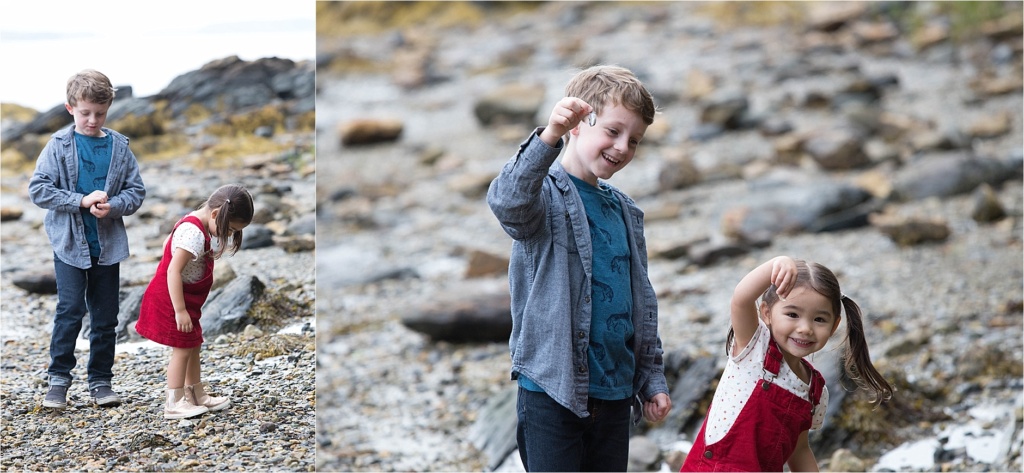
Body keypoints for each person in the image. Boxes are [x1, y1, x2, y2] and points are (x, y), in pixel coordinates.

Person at [487, 65, 672, 472]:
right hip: (552, 390)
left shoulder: (626, 211)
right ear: (577, 125)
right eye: (612, 131)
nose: (622, 147)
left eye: (634, 140)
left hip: (616, 392)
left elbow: (640, 303)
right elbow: (508, 204)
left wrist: (651, 379)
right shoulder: (544, 196)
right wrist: (548, 135)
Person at [681, 256, 894, 472]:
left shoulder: (815, 391)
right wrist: (776, 263)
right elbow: (741, 299)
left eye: (819, 319)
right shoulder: (755, 348)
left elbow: (799, 450)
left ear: (834, 325)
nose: (805, 328)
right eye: (792, 314)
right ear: (766, 313)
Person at [28, 69, 146, 409]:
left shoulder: (120, 148)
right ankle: (58, 382)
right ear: (70, 108)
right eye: (85, 113)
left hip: (107, 247)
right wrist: (79, 201)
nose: (92, 120)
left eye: (100, 113)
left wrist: (112, 208)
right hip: (68, 246)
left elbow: (136, 193)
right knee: (70, 310)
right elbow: (38, 189)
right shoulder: (58, 145)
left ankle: (100, 382)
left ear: (108, 108)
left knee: (106, 316)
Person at [134, 184, 254, 419]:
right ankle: (174, 401)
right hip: (173, 300)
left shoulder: (192, 221)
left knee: (193, 344)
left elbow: (166, 244)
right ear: (215, 215)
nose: (227, 235)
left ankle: (196, 394)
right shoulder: (194, 233)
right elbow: (172, 270)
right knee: (182, 348)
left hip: (186, 298)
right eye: (229, 229)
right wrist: (179, 310)